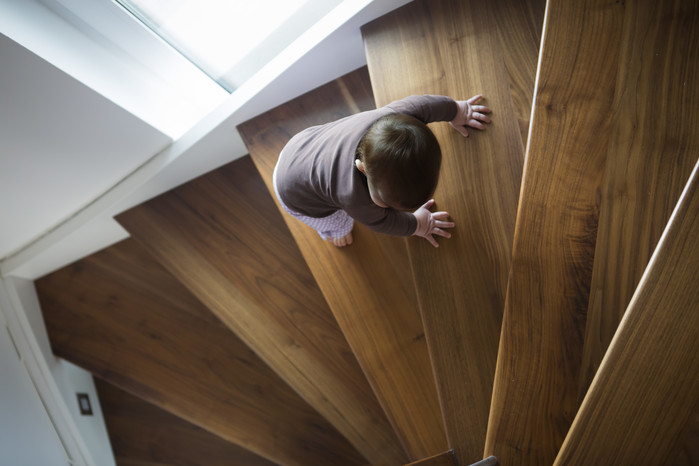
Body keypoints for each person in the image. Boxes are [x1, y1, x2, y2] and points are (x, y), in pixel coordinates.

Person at [273, 94, 491, 247]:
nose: (386, 208)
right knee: (341, 221)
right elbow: (384, 222)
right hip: (295, 196)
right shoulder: (354, 198)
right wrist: (418, 225)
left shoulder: (394, 117)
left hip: (301, 145)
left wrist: (457, 110)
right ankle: (338, 231)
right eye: (386, 204)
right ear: (362, 168)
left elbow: (427, 105)